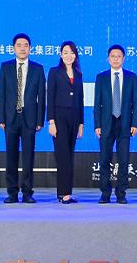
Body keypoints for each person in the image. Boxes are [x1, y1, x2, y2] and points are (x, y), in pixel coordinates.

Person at [0, 33, 46, 204]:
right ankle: (12, 192)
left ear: (30, 49)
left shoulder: (38, 69)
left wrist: (40, 120)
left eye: (26, 45)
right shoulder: (5, 67)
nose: (22, 48)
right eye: (19, 45)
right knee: (10, 156)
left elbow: (42, 96)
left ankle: (27, 192)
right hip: (10, 118)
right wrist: (1, 118)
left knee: (28, 157)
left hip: (30, 119)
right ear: (13, 48)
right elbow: (1, 95)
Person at [94, 44, 137, 204]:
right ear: (108, 59)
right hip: (106, 124)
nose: (115, 59)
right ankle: (105, 193)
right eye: (113, 56)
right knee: (104, 160)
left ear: (123, 59)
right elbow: (97, 104)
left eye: (119, 56)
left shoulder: (131, 77)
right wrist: (97, 125)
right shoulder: (101, 77)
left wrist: (135, 123)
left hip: (125, 123)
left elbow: (136, 102)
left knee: (124, 160)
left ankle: (121, 193)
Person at [47, 41, 85, 204]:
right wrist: (51, 121)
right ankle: (63, 193)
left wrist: (81, 123)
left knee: (69, 156)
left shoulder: (78, 74)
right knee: (62, 156)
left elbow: (80, 99)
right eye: (65, 52)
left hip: (74, 119)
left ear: (75, 55)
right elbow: (50, 97)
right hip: (59, 118)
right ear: (60, 55)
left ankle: (65, 192)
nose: (69, 55)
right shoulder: (54, 72)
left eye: (71, 53)